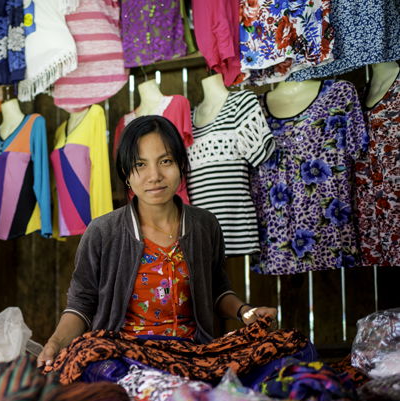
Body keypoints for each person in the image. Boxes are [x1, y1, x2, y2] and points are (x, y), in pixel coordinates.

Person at [37, 115, 277, 368]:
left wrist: (246, 312)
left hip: (192, 355)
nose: (155, 176)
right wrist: (55, 343)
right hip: (124, 356)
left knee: (288, 347)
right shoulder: (102, 232)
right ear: (126, 174)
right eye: (140, 164)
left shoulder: (204, 225)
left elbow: (216, 289)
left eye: (165, 161)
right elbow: (81, 305)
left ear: (181, 165)